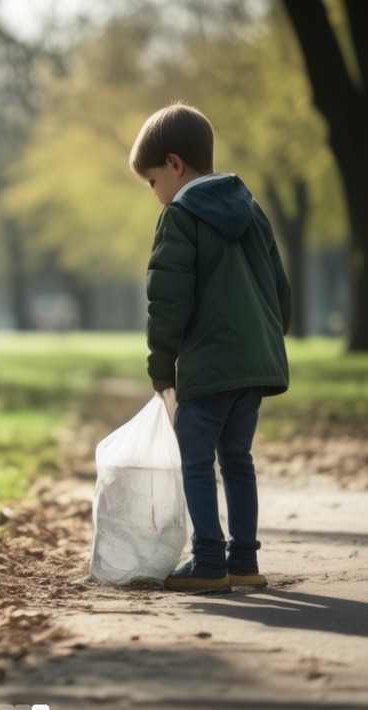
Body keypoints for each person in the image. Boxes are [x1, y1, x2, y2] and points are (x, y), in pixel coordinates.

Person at [129, 102, 291, 593]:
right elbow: (279, 292)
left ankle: (207, 561)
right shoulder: (253, 210)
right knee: (237, 459)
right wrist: (263, 343)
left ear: (174, 165)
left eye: (153, 181)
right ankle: (243, 560)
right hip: (253, 366)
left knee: (196, 461)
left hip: (210, 365)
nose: (156, 194)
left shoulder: (180, 217)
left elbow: (168, 301)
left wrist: (161, 367)